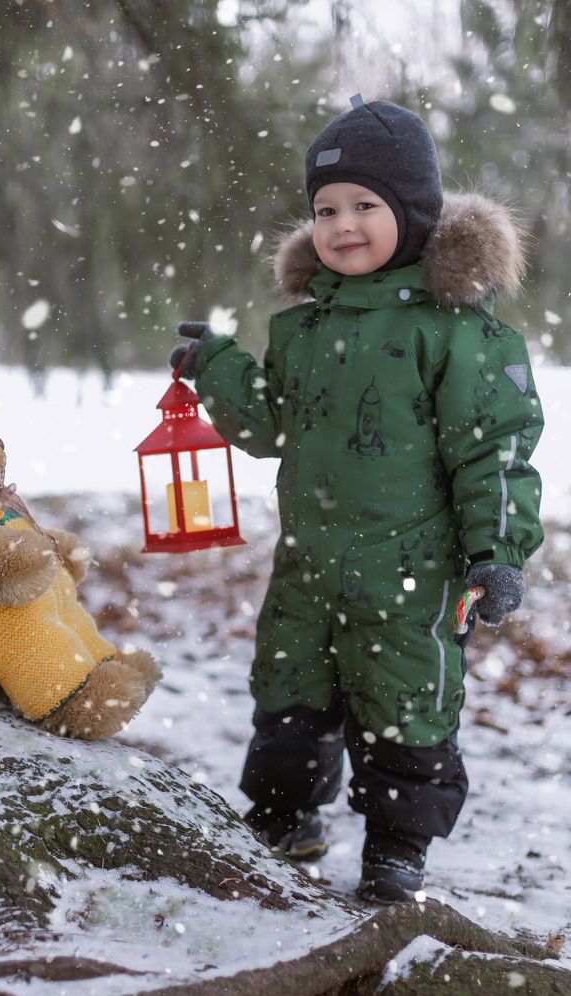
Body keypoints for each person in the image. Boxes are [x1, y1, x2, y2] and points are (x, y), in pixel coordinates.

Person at [170, 95, 544, 904]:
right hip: (308, 567)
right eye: (326, 210)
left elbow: (496, 451)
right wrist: (219, 366)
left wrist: (497, 551)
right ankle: (286, 815)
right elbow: (271, 423)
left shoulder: (456, 332)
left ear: (414, 213)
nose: (342, 225)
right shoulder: (305, 328)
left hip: (411, 573)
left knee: (406, 708)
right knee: (289, 696)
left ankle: (397, 848)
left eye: (365, 206)